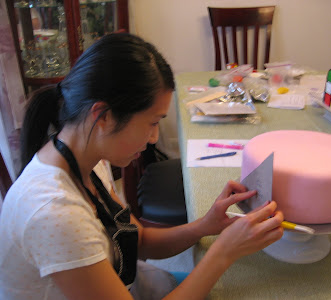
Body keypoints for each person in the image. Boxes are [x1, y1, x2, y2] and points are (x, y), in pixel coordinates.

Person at [0, 33, 284, 300]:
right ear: (103, 117)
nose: (154, 138)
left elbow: (141, 239)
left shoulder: (85, 157)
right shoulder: (54, 213)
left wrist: (205, 226)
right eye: (152, 122)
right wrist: (223, 253)